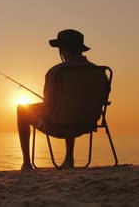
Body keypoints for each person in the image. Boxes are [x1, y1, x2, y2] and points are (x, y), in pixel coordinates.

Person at [17, 29, 96, 170]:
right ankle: (69, 158)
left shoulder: (56, 72)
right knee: (68, 107)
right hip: (87, 123)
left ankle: (27, 163)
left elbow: (48, 103)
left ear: (62, 49)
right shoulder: (98, 71)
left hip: (58, 125)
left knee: (22, 109)